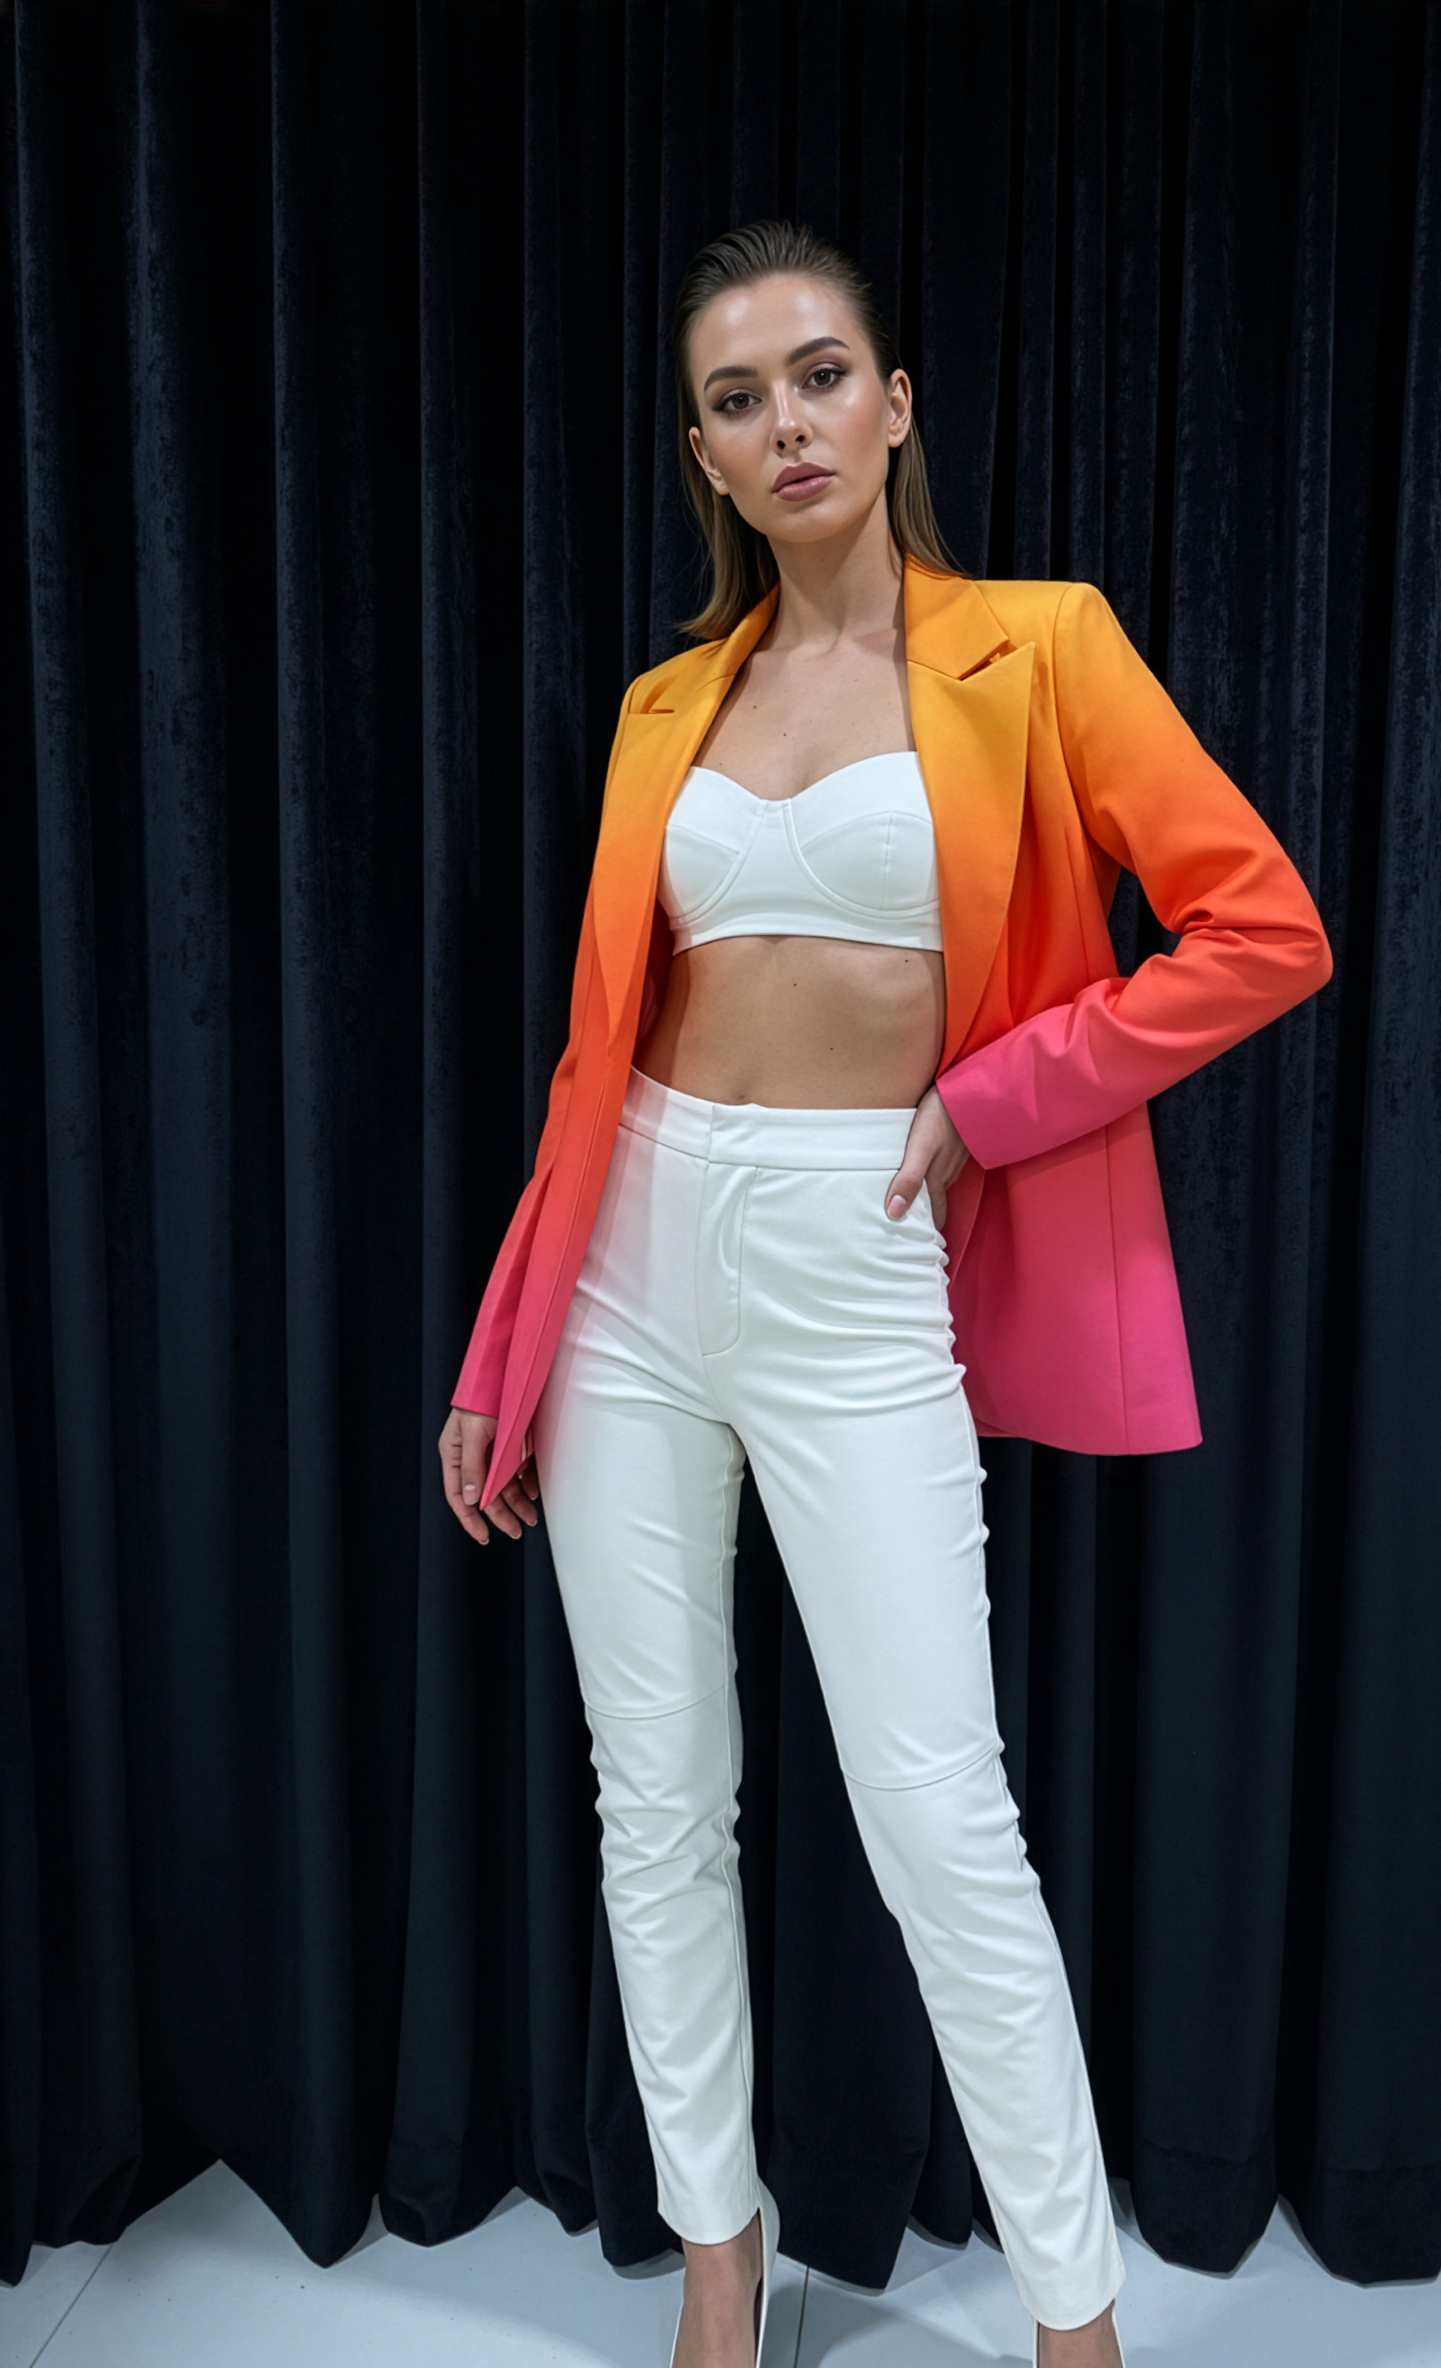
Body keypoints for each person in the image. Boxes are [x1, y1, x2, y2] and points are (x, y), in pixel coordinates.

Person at [439, 219, 1332, 2368]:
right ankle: (721, 2258)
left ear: (896, 399)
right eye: (739, 400)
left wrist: (1008, 1092)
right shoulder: (676, 697)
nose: (788, 421)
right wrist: (507, 1348)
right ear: (705, 456)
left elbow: (1257, 925)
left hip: (860, 1258)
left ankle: (1074, 2315)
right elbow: (591, 1056)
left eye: (821, 373)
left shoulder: (1040, 648)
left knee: (941, 1808)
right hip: (638, 1248)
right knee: (654, 1793)